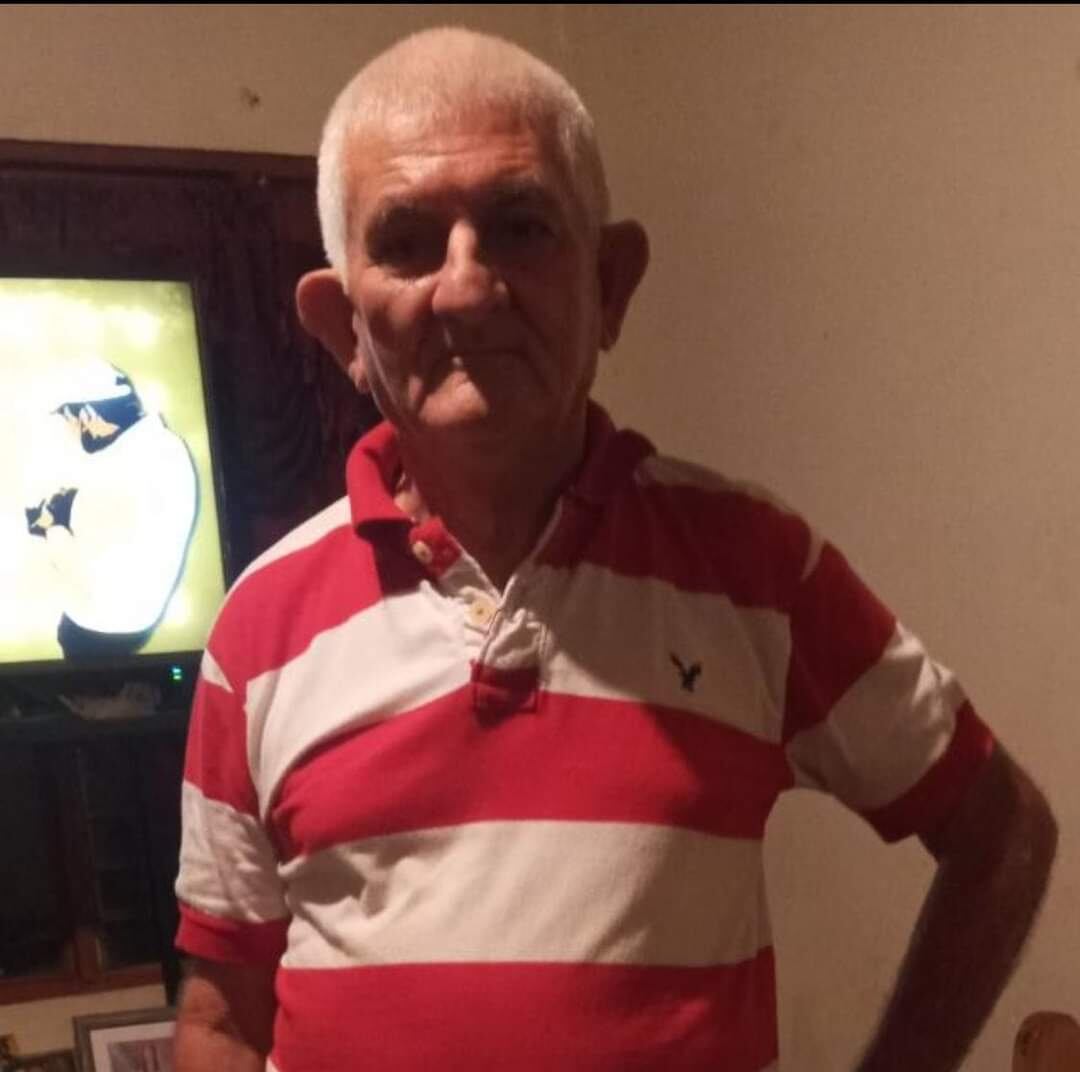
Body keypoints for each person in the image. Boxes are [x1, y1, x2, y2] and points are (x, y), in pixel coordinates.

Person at [173, 27, 1056, 1072]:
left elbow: (1002, 830)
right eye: (407, 240)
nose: (466, 287)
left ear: (613, 285)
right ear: (342, 327)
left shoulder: (756, 571)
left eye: (520, 227)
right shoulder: (258, 628)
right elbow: (222, 1021)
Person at [26, 360, 198, 658]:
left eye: (68, 420)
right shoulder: (168, 445)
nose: (69, 431)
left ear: (89, 414)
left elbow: (84, 574)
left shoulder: (116, 478)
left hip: (97, 630)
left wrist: (51, 526)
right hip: (139, 617)